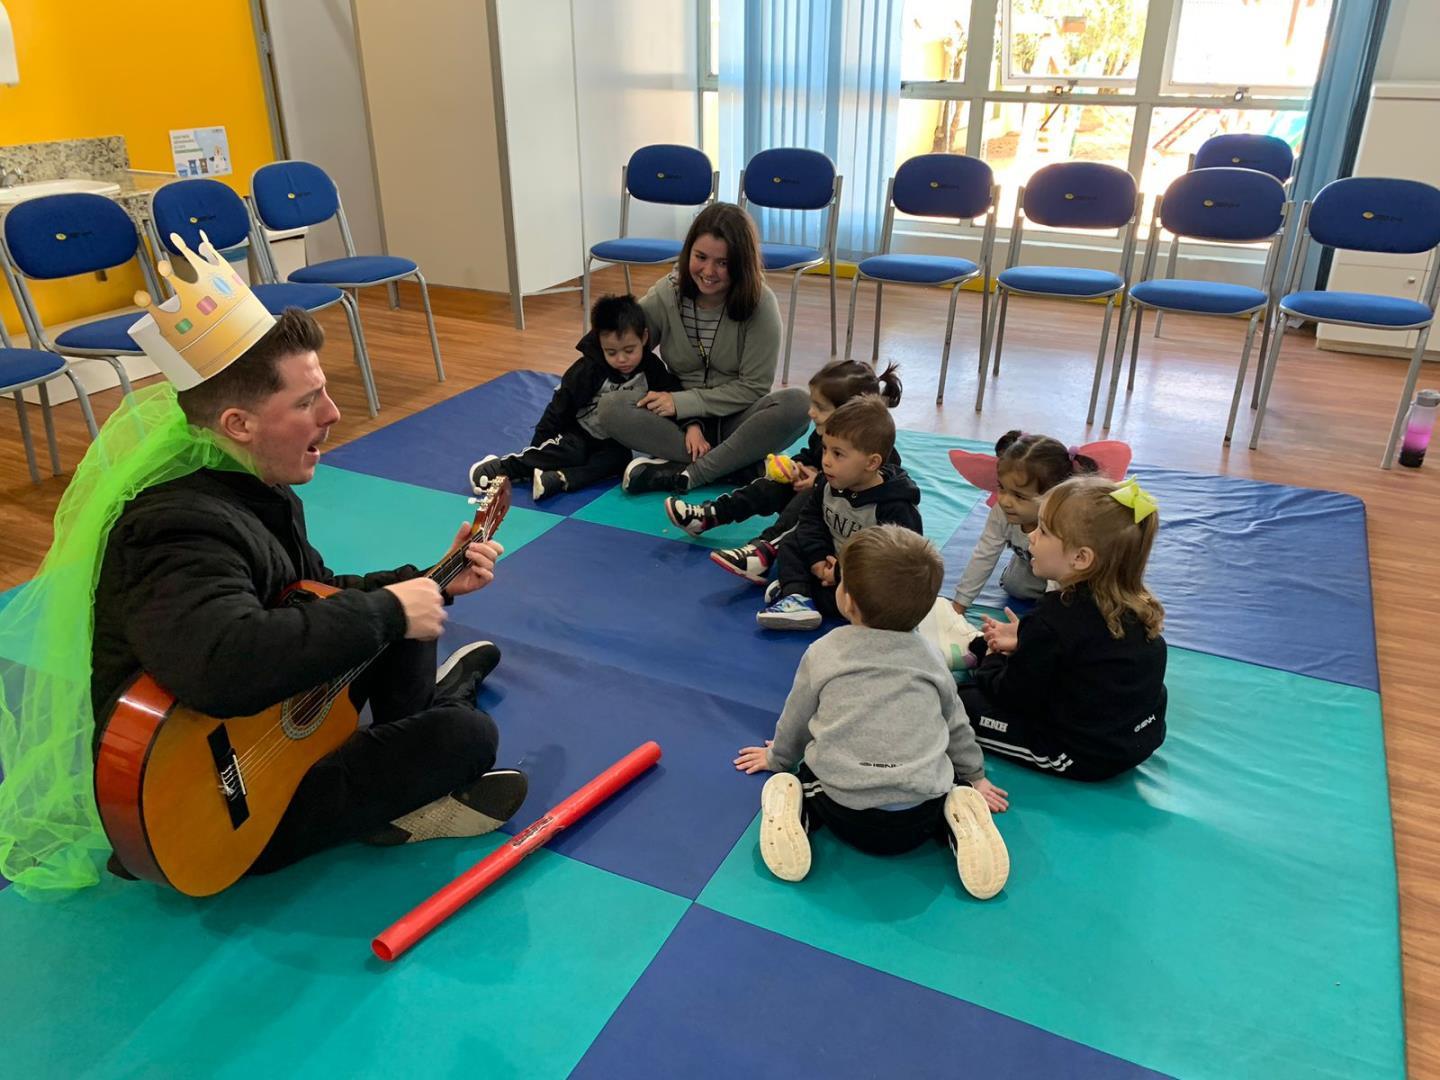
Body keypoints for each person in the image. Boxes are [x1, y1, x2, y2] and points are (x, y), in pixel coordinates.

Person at [0, 245, 528, 896]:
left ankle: (418, 724)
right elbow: (223, 665)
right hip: (214, 808)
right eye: (308, 401)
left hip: (267, 727)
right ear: (238, 423)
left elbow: (313, 594)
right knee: (466, 735)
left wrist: (433, 577)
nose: (333, 414)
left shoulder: (252, 483)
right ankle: (425, 744)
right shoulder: (174, 530)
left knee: (406, 609)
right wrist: (391, 609)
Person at [734, 525, 1010, 899]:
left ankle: (797, 810)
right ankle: (954, 816)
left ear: (847, 600)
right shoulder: (931, 657)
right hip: (920, 811)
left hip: (843, 810)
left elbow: (797, 718)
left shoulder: (825, 651)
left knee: (806, 781)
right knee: (946, 780)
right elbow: (957, 725)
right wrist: (974, 776)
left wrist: (777, 758)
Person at [963, 476, 1168, 782]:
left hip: (1078, 753)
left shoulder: (1054, 616)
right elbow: (1085, 653)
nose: (1031, 536)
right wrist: (1024, 642)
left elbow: (1011, 696)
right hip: (1140, 738)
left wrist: (993, 659)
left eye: (1043, 531)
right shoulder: (1137, 604)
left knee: (954, 702)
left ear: (1081, 558)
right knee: (986, 652)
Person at [597, 202, 811, 495]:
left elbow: (753, 388)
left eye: (723, 263)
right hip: (680, 426)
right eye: (700, 257)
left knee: (799, 404)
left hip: (740, 420)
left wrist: (682, 402)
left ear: (741, 263)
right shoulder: (667, 293)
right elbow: (618, 339)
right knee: (609, 407)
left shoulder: (761, 304)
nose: (708, 271)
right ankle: (738, 465)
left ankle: (689, 472)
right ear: (688, 253)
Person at [663, 359, 903, 585]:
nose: (811, 412)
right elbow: (809, 456)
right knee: (772, 485)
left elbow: (875, 489)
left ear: (848, 413)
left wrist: (820, 482)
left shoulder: (879, 454)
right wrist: (796, 468)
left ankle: (766, 549)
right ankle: (713, 514)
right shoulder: (824, 437)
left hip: (842, 523)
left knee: (814, 496)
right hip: (817, 512)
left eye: (819, 407)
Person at [467, 294, 697, 502]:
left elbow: (673, 396)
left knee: (619, 460)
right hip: (578, 432)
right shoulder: (587, 370)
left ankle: (559, 479)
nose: (622, 359)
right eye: (612, 352)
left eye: (629, 350)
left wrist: (691, 425)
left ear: (644, 338)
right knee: (570, 452)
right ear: (600, 343)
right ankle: (505, 467)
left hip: (613, 439)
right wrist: (537, 448)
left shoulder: (652, 367)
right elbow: (559, 407)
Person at [757, 395, 921, 631]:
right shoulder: (827, 484)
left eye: (838, 454)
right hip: (829, 562)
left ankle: (797, 590)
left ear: (872, 463)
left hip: (863, 575)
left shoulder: (895, 507)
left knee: (873, 599)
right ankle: (797, 596)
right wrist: (817, 559)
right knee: (792, 540)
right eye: (824, 450)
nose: (826, 461)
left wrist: (842, 573)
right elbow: (811, 520)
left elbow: (898, 565)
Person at [951, 432, 1102, 615]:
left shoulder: (1062, 524)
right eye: (1001, 487)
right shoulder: (1002, 512)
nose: (1005, 500)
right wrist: (959, 605)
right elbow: (984, 554)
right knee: (1014, 587)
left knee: (1081, 604)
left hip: (1070, 575)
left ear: (1052, 496)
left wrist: (1040, 624)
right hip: (1034, 566)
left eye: (1019, 496)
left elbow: (1058, 582)